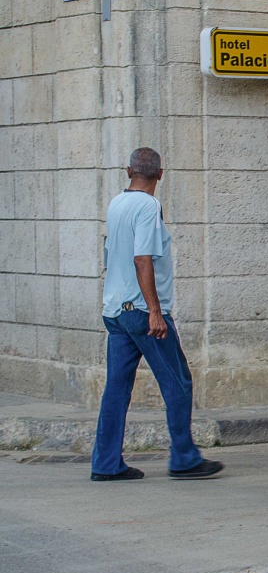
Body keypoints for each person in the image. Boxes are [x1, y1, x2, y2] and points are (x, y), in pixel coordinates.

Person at [90, 148, 223, 482]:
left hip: (115, 310)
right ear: (160, 175)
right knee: (178, 381)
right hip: (141, 310)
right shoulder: (148, 206)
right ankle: (184, 458)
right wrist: (155, 312)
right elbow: (142, 259)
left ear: (128, 171)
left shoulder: (116, 203)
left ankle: (105, 463)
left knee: (116, 388)